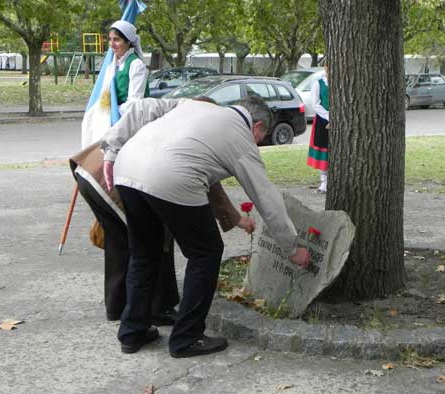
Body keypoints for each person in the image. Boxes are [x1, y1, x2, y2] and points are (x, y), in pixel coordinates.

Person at [111, 96, 311, 357]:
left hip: (126, 167)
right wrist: (291, 247)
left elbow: (139, 107)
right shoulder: (239, 133)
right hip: (170, 176)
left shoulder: (196, 108)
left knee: (144, 255)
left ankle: (132, 332)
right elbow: (265, 195)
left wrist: (110, 149)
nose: (259, 143)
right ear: (257, 125)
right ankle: (187, 338)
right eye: (261, 137)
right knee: (206, 253)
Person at [71, 97, 245, 326]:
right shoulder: (193, 132)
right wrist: (235, 218)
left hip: (89, 170)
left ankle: (118, 308)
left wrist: (234, 218)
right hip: (111, 177)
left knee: (121, 244)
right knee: (153, 245)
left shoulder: (176, 119)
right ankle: (157, 308)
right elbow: (210, 187)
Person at [81, 20, 149, 148]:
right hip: (113, 121)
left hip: (129, 124)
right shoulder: (112, 64)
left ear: (128, 41)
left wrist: (111, 113)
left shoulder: (136, 64)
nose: (112, 44)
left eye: (116, 40)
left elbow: (134, 103)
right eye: (110, 39)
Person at [306, 58, 329, 193]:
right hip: (322, 120)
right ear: (325, 67)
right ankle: (324, 183)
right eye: (328, 66)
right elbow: (315, 104)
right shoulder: (318, 83)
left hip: (339, 120)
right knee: (324, 150)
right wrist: (329, 117)